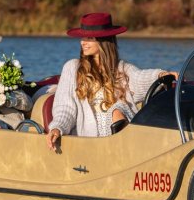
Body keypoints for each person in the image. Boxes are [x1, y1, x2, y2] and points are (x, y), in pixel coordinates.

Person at [46, 12, 177, 150]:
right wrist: (57, 127)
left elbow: (140, 78)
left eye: (89, 38)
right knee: (116, 110)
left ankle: (129, 154)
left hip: (122, 142)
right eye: (82, 37)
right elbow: (65, 108)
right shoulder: (72, 68)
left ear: (104, 41)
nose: (82, 42)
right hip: (87, 145)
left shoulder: (122, 68)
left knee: (117, 109)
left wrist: (161, 74)